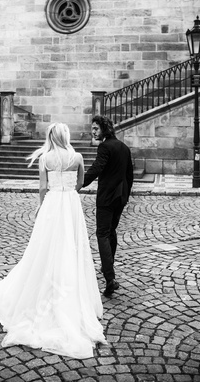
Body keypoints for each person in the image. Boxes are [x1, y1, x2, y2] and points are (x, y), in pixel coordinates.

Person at [0, 122, 107, 359]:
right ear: (67, 136)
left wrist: (41, 206)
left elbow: (42, 187)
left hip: (53, 203)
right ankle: (72, 293)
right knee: (72, 247)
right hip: (70, 203)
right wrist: (69, 190)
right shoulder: (78, 157)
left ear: (51, 136)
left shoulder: (45, 158)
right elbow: (81, 183)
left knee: (45, 247)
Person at [82, 115, 133, 297]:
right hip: (120, 197)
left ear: (104, 129)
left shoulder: (104, 147)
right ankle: (109, 271)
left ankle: (109, 278)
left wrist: (80, 183)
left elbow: (97, 168)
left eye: (95, 129)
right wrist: (125, 196)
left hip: (106, 198)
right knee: (111, 232)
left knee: (102, 234)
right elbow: (130, 176)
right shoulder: (124, 147)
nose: (93, 132)